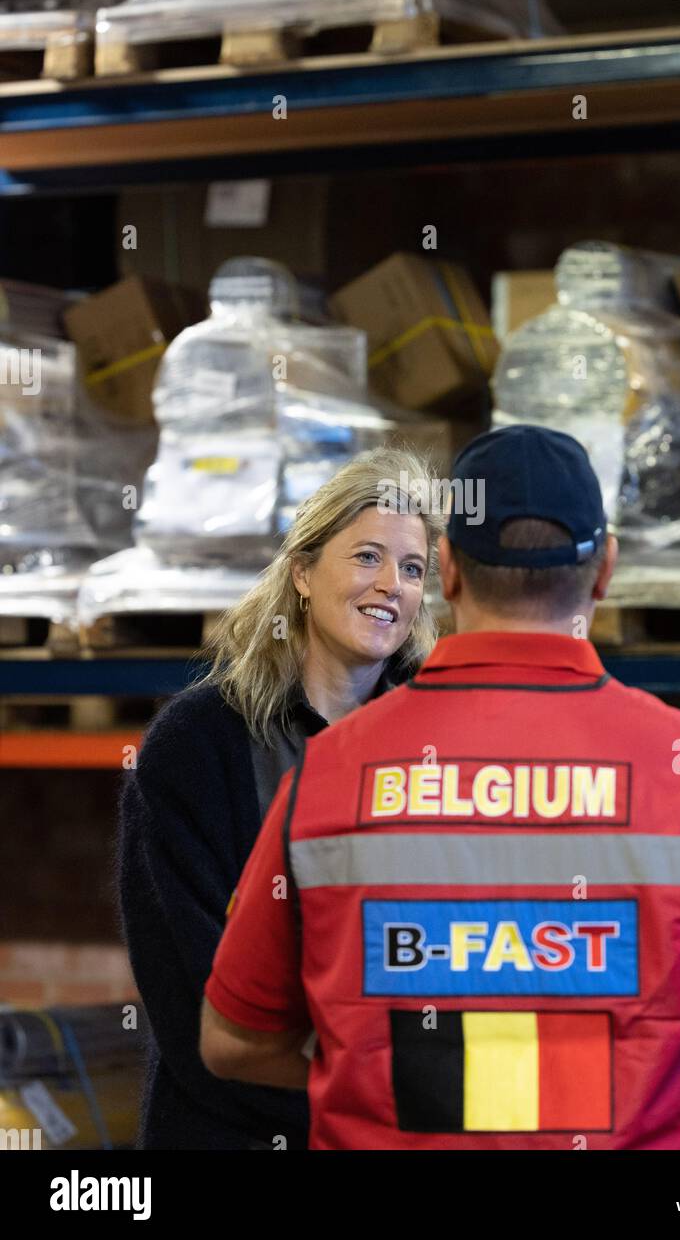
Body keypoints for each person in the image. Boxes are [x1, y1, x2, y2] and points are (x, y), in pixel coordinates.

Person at [199, 425, 680, 1150]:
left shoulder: (327, 774)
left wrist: (408, 1073)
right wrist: (646, 1079)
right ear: (604, 573)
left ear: (445, 570)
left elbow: (235, 1043)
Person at [118, 446, 440, 1149]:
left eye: (411, 569)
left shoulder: (436, 751)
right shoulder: (198, 746)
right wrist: (380, 1091)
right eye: (365, 557)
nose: (390, 584)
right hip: (231, 1131)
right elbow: (197, 1014)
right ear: (300, 572)